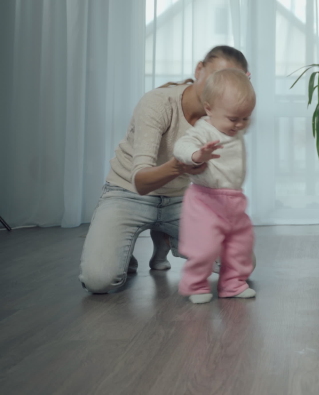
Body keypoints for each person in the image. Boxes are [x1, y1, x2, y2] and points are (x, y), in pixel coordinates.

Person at [79, 46, 250, 294]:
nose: (221, 91)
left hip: (181, 200)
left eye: (231, 84)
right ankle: (124, 246)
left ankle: (168, 237)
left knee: (241, 265)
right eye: (215, 79)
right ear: (199, 69)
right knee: (99, 280)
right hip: (128, 194)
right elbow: (140, 183)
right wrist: (178, 166)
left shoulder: (226, 117)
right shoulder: (158, 103)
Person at [174, 68, 256, 303]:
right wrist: (197, 155)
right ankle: (195, 284)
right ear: (209, 109)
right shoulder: (204, 130)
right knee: (204, 248)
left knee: (240, 246)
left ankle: (233, 284)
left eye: (245, 118)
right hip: (205, 200)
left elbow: (237, 106)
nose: (239, 125)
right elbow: (182, 146)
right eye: (233, 119)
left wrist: (242, 86)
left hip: (234, 200)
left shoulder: (232, 125)